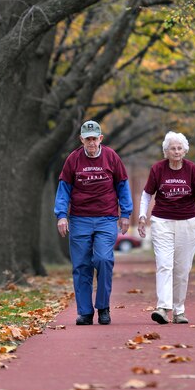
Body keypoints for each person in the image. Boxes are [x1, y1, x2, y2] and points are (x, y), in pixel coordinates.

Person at [54, 120, 133, 326]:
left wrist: (126, 213)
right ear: (81, 139)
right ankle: (85, 312)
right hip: (80, 219)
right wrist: (61, 215)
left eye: (94, 138)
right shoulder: (73, 160)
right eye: (87, 139)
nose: (91, 142)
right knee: (81, 266)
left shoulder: (111, 157)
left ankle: (103, 307)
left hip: (106, 218)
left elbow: (123, 186)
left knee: (104, 260)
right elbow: (64, 190)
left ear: (100, 139)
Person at [137, 131, 195, 325]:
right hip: (162, 221)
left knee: (182, 269)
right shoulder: (158, 169)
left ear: (185, 150)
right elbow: (147, 195)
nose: (177, 151)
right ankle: (162, 307)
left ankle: (179, 311)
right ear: (166, 151)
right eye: (173, 148)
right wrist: (142, 215)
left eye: (180, 148)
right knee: (164, 264)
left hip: (187, 223)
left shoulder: (192, 169)